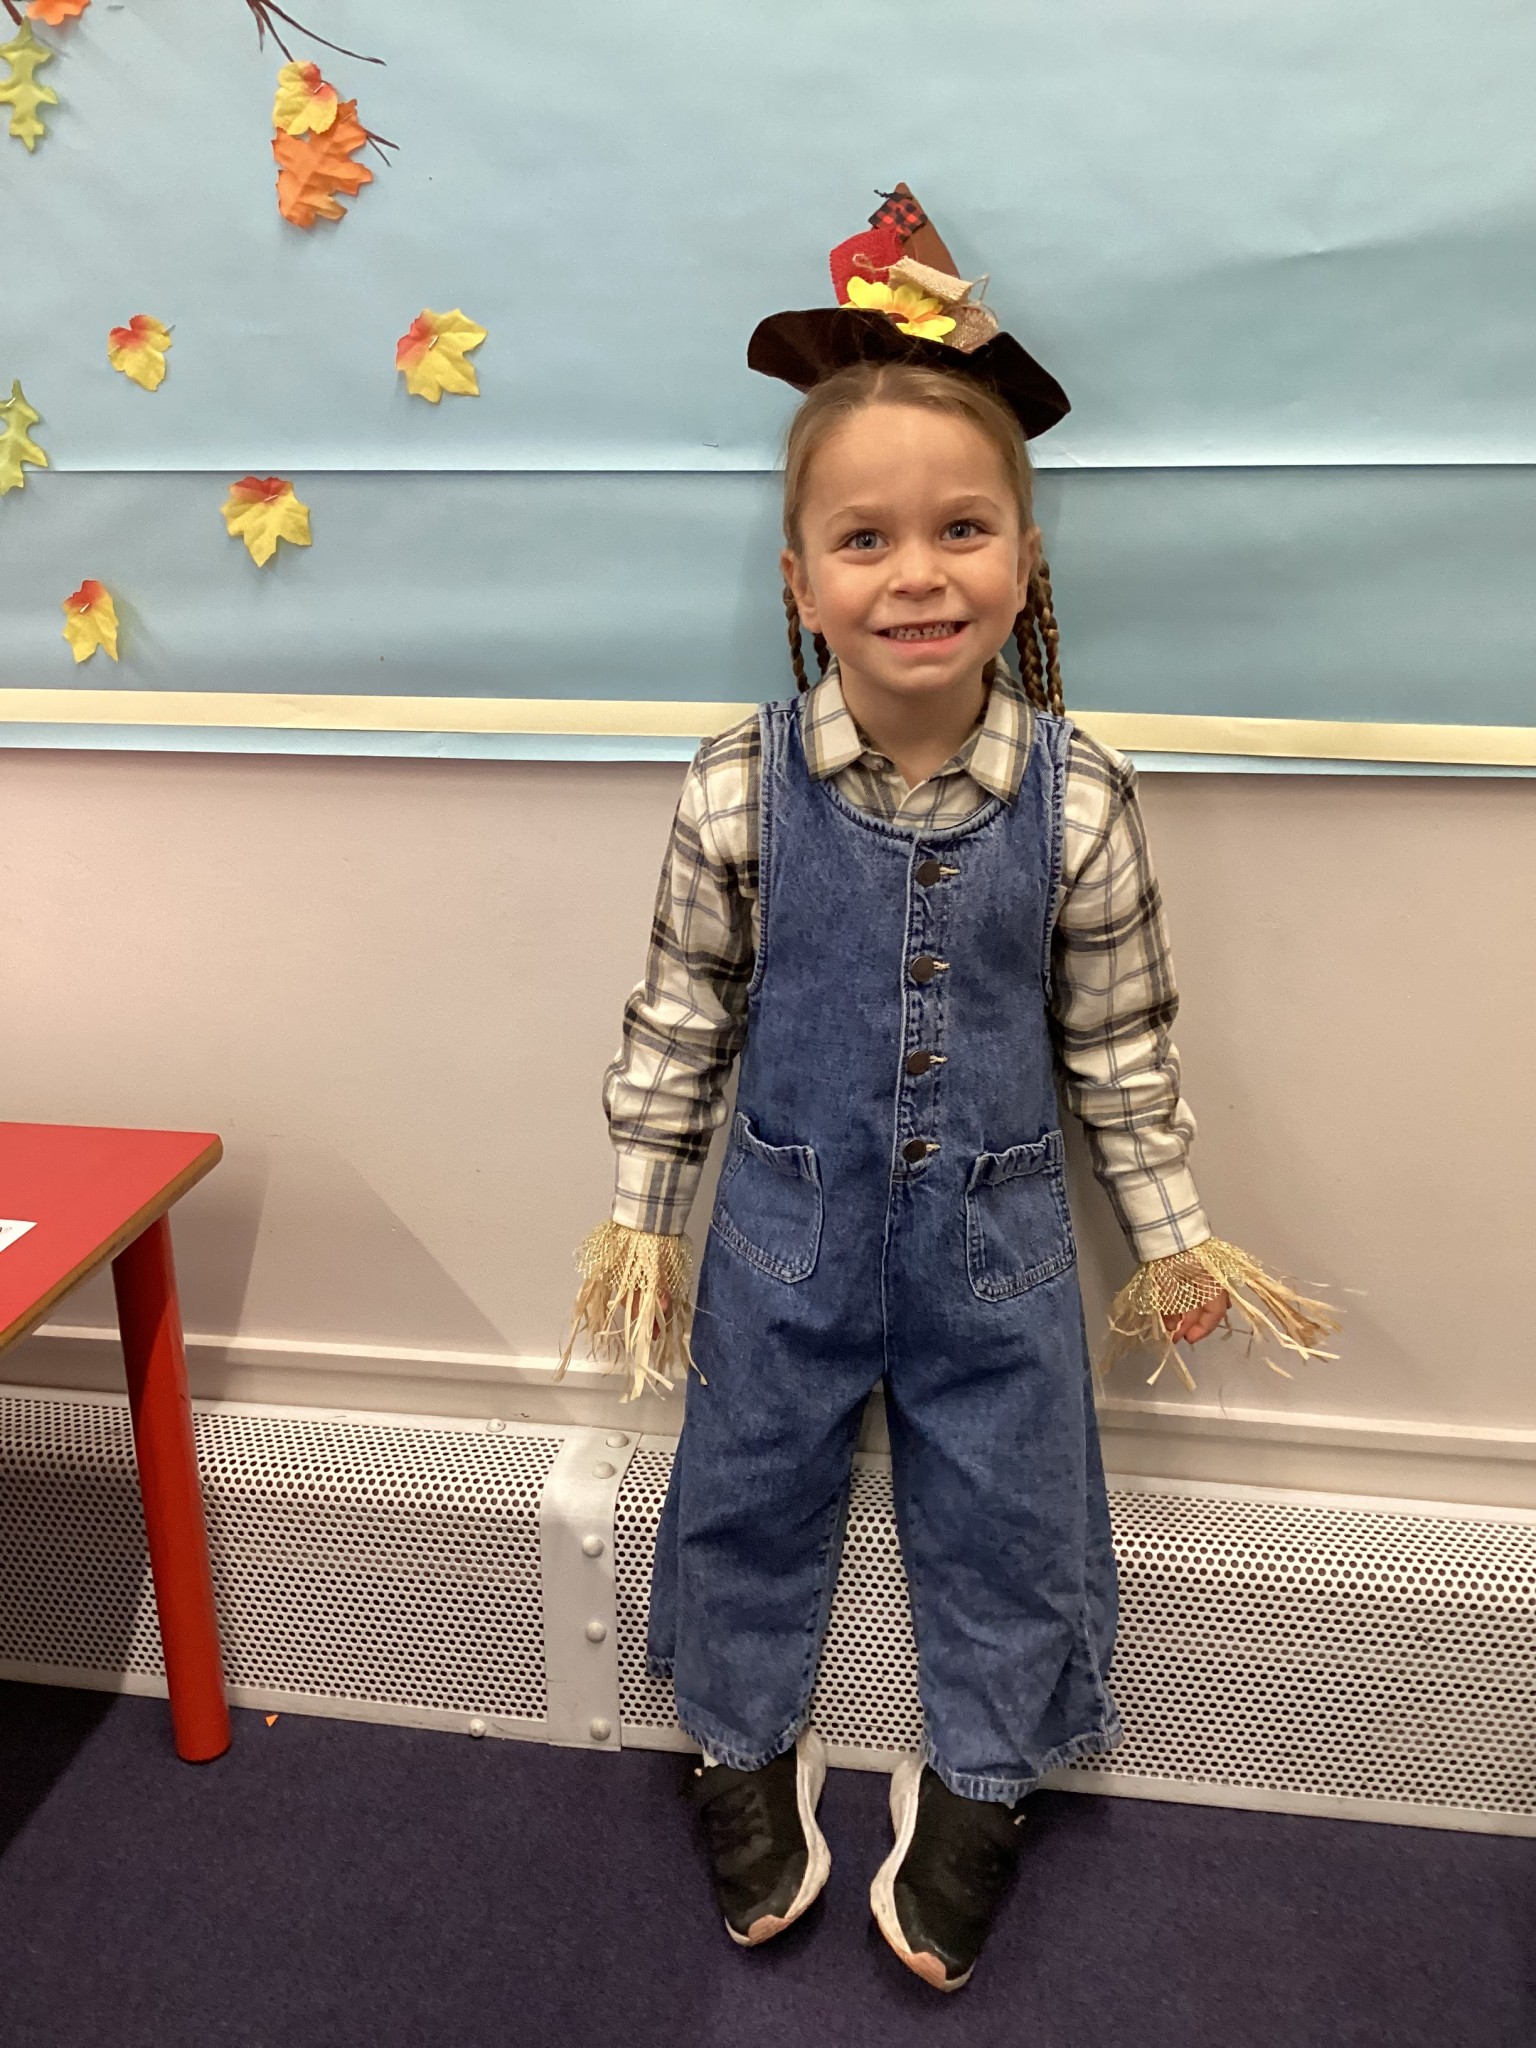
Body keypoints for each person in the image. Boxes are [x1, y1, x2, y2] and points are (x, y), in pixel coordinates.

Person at [560, 186, 1336, 1993]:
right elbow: (677, 1010)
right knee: (741, 1488)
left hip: (996, 1250)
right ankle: (742, 1748)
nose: (917, 573)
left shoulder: (1082, 799)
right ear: (799, 578)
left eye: (963, 528)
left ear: (1028, 557)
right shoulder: (734, 787)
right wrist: (640, 1218)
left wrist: (1173, 1234)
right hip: (779, 1233)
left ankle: (982, 1779)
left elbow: (1122, 1045)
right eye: (866, 540)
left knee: (1014, 1511)